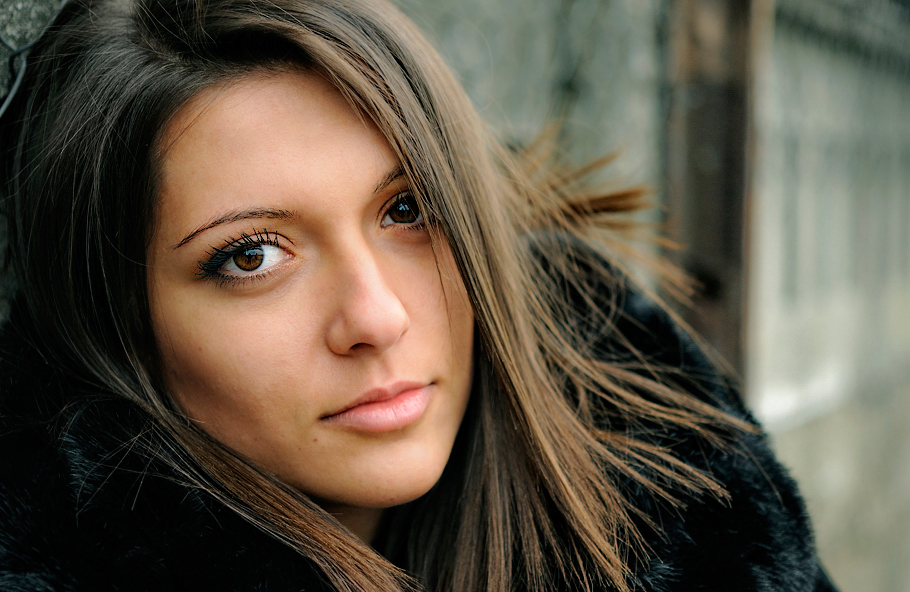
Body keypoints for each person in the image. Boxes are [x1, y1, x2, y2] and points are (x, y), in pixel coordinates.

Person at [0, 0, 837, 590]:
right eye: (251, 255)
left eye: (408, 209)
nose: (377, 317)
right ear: (115, 323)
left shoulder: (699, 514)